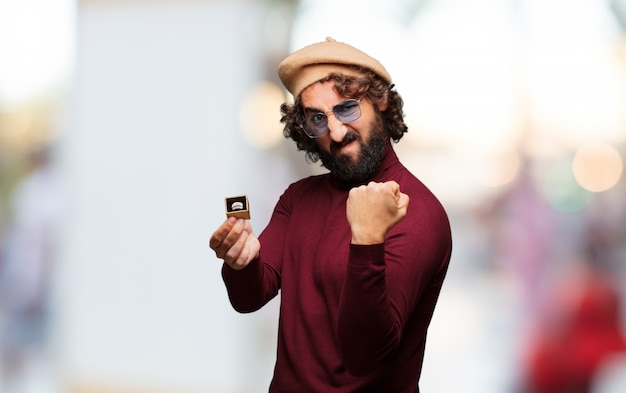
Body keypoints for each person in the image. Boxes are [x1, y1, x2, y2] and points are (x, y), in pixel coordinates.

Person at [210, 37, 452, 392]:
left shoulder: (420, 213)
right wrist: (240, 262)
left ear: (380, 100)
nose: (336, 132)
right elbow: (249, 298)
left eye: (347, 108)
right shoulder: (299, 199)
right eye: (318, 119)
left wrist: (367, 239)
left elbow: (366, 355)